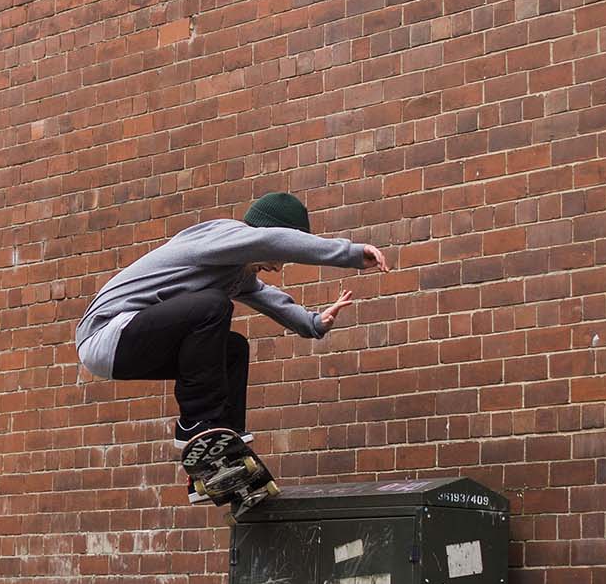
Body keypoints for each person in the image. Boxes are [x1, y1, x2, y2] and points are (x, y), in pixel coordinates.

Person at [74, 191, 388, 502]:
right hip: (107, 332)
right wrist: (352, 254)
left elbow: (267, 297)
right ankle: (194, 427)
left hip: (128, 344)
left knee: (233, 349)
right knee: (213, 305)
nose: (277, 267)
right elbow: (274, 241)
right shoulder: (222, 236)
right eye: (280, 258)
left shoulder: (236, 270)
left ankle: (218, 459)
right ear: (266, 234)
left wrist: (313, 322)